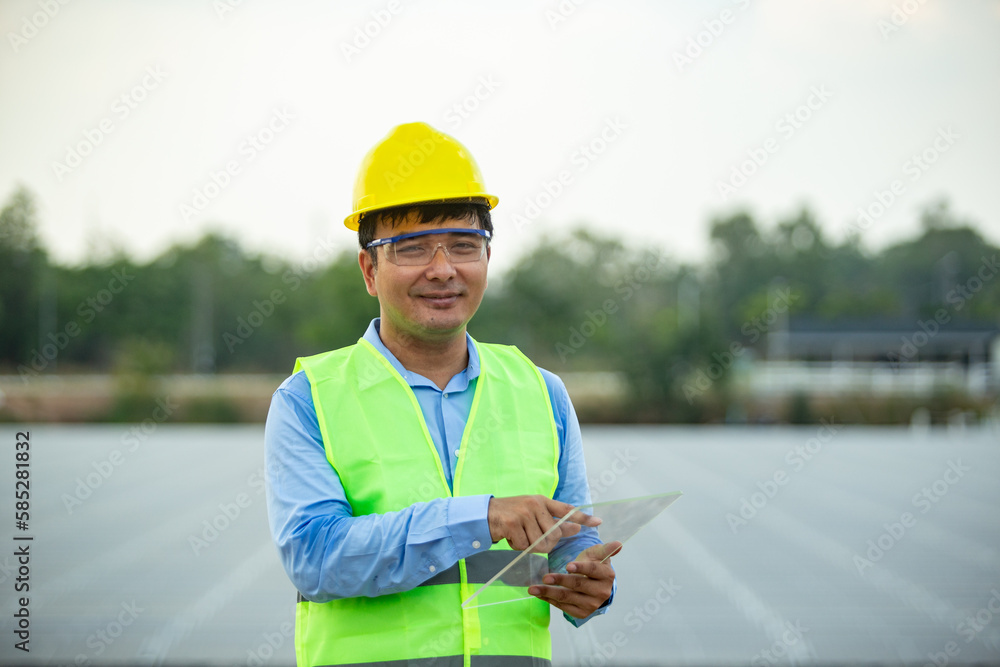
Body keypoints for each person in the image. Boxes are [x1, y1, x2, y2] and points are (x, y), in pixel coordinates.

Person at [265, 122, 621, 667]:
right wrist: (479, 519)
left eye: (463, 245)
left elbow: (569, 541)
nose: (443, 269)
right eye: (412, 249)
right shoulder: (308, 399)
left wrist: (587, 588)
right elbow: (316, 559)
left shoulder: (542, 393)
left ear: (486, 259)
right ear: (369, 269)